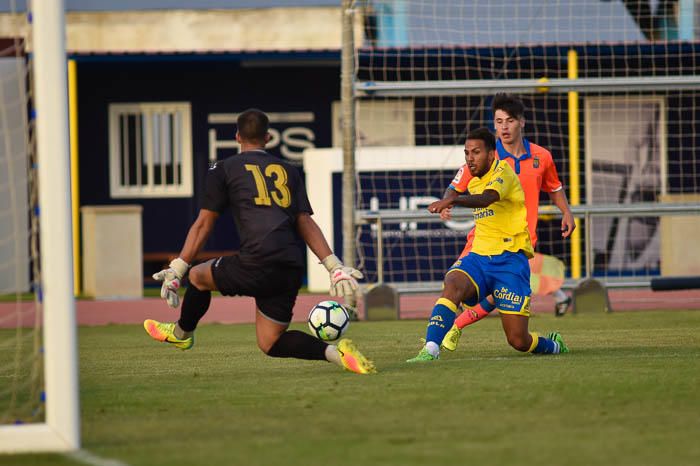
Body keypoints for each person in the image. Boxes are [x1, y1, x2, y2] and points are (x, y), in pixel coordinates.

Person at [144, 108, 376, 375]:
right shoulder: (289, 169)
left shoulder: (223, 168)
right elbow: (305, 222)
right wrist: (334, 266)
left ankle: (181, 333)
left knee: (197, 276)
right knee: (271, 341)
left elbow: (204, 223)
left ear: (237, 136)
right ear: (268, 138)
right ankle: (338, 354)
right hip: (289, 266)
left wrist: (178, 268)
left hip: (257, 260)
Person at [406, 127, 568, 362]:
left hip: (511, 261)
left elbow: (487, 198)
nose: (470, 158)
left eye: (476, 152)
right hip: (479, 256)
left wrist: (453, 200)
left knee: (518, 340)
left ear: (492, 154)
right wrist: (448, 198)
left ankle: (553, 345)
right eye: (467, 153)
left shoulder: (504, 173)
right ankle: (430, 349)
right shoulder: (468, 170)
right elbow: (453, 187)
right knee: (452, 283)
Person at [440, 93, 576, 352]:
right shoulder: (486, 156)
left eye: (509, 120)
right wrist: (448, 202)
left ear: (521, 122)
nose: (503, 127)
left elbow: (554, 187)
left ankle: (451, 329)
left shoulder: (542, 157)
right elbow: (456, 185)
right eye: (498, 121)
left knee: (497, 299)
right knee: (456, 287)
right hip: (483, 241)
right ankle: (442, 334)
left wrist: (566, 212)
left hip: (520, 242)